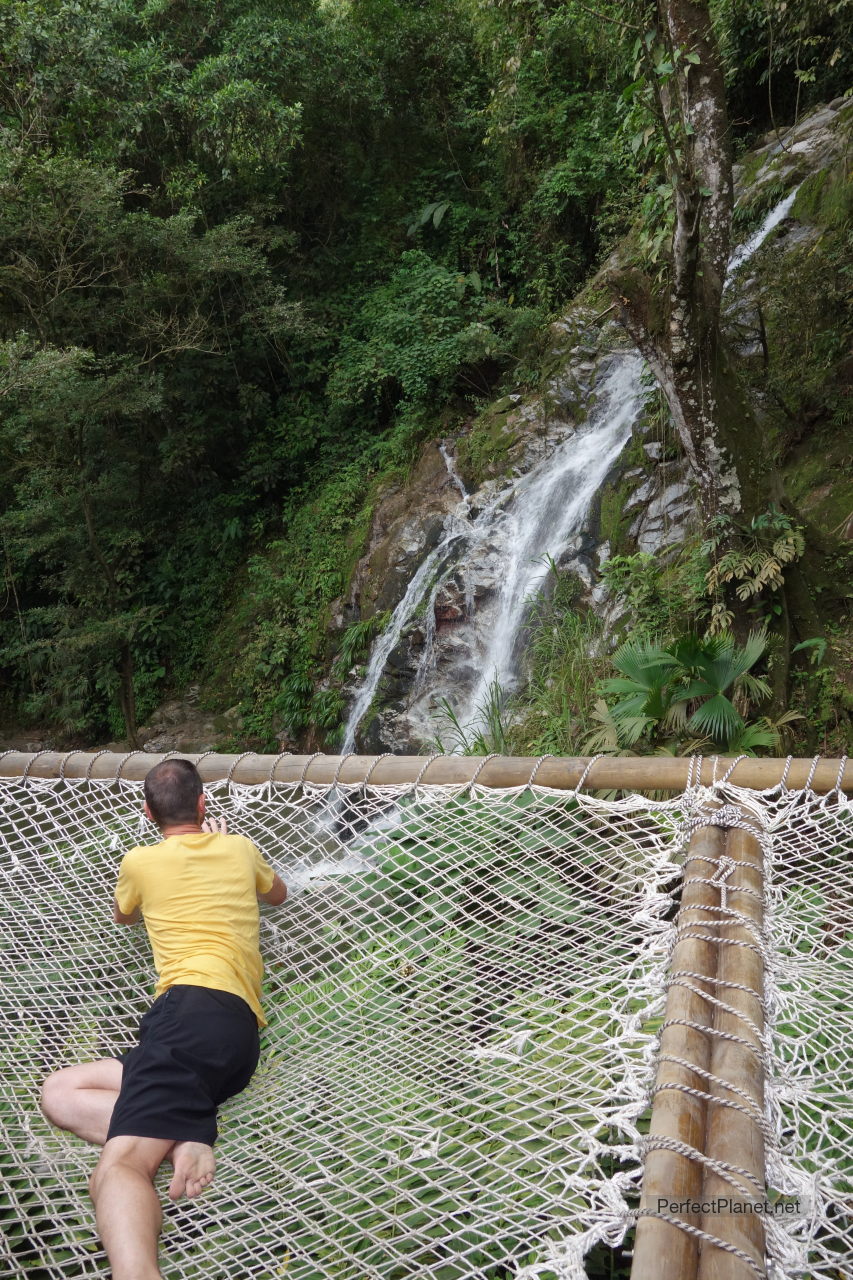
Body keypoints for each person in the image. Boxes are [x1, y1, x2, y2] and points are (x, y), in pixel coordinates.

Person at [40, 758, 287, 1280]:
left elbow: (123, 914)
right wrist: (226, 848)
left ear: (148, 811)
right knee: (61, 1092)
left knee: (121, 1166)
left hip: (189, 1017)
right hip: (230, 1035)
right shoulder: (239, 848)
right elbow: (277, 894)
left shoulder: (139, 863)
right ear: (203, 805)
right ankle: (182, 1135)